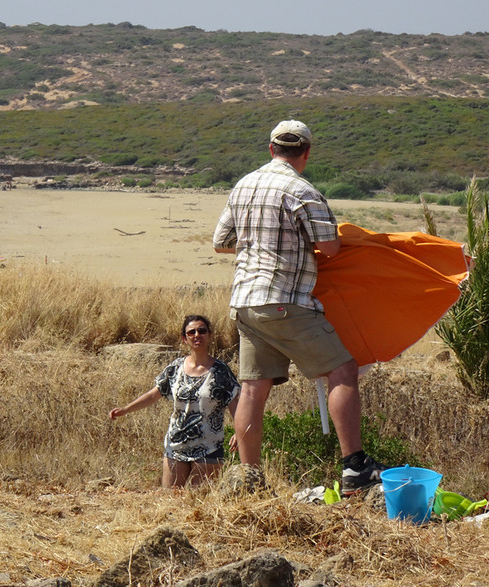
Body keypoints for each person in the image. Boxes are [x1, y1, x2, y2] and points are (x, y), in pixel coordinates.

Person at [213, 120, 387, 496]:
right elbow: (330, 248)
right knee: (342, 370)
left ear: (271, 149)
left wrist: (256, 246)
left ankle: (248, 477)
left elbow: (221, 241)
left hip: (245, 302)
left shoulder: (243, 185)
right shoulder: (302, 189)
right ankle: (355, 466)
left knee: (253, 388)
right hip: (285, 300)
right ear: (306, 153)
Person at [109, 315, 240, 488]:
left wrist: (240, 431)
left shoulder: (221, 371)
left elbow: (235, 403)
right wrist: (126, 409)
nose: (197, 335)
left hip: (209, 447)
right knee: (170, 503)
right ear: (184, 339)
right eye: (191, 332)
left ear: (209, 335)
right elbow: (154, 394)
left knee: (198, 504)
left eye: (201, 330)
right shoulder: (175, 368)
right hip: (176, 446)